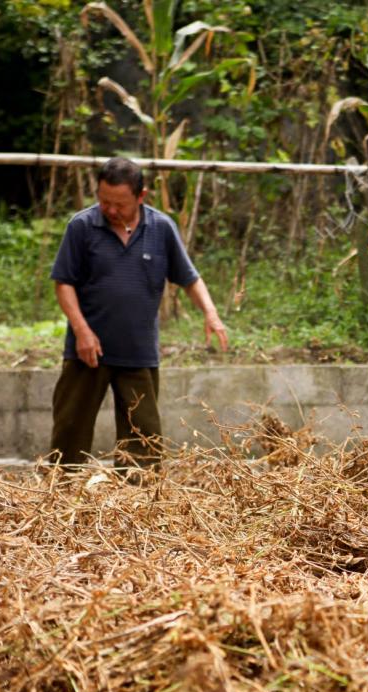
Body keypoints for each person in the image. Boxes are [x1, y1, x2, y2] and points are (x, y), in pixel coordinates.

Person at [49, 157, 228, 468]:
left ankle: (137, 502)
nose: (111, 210)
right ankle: (59, 494)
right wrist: (81, 331)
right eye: (104, 201)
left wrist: (210, 313)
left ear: (141, 196)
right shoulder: (81, 226)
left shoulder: (160, 228)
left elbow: (189, 278)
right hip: (87, 352)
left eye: (120, 203)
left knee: (143, 442)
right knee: (69, 433)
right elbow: (63, 283)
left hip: (138, 353)